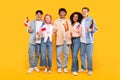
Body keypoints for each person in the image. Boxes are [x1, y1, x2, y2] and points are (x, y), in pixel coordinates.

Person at [78, 7, 98, 75]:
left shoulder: (91, 20)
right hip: (81, 41)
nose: (84, 12)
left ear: (88, 12)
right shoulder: (80, 20)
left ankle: (90, 69)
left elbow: (96, 29)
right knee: (82, 55)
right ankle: (83, 68)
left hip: (89, 41)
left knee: (89, 56)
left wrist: (91, 30)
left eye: (85, 11)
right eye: (83, 11)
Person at [54, 8, 71, 73]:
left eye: (63, 12)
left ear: (65, 13)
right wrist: (54, 31)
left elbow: (71, 29)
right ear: (59, 13)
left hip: (67, 39)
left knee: (66, 54)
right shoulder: (56, 21)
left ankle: (65, 67)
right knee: (58, 54)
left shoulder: (68, 21)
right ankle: (59, 67)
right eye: (61, 12)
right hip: (59, 39)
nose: (62, 13)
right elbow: (54, 29)